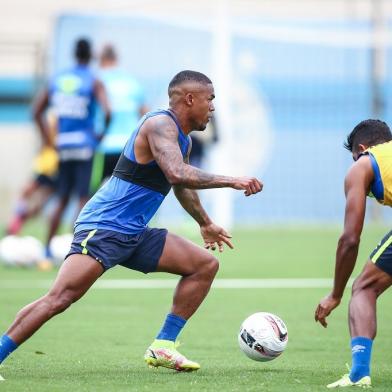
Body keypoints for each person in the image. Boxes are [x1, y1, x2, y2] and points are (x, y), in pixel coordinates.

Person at [0, 70, 262, 376]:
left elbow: (181, 185)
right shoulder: (159, 124)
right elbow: (177, 173)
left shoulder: (183, 139)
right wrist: (232, 180)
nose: (213, 107)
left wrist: (205, 222)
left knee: (204, 266)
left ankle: (163, 344)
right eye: (210, 99)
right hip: (105, 227)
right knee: (59, 298)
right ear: (190, 99)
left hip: (134, 232)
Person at [315, 119, 392, 388]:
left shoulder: (363, 165)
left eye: (353, 157)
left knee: (364, 288)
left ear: (362, 148)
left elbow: (349, 239)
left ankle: (359, 373)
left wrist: (335, 294)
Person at [33, 38, 111, 260]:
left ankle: (47, 249)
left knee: (62, 197)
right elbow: (107, 111)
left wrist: (49, 140)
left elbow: (36, 111)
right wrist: (99, 136)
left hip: (63, 145)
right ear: (91, 56)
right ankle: (77, 250)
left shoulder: (57, 79)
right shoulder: (93, 81)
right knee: (83, 198)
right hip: (85, 146)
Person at [89, 44, 148, 192]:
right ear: (116, 58)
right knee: (128, 193)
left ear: (101, 59)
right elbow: (145, 115)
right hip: (129, 148)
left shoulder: (96, 81)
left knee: (91, 194)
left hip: (103, 147)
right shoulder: (132, 82)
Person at [6, 111, 58, 235]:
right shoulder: (54, 116)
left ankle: (19, 221)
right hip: (47, 164)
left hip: (57, 167)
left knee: (39, 206)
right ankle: (16, 221)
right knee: (27, 192)